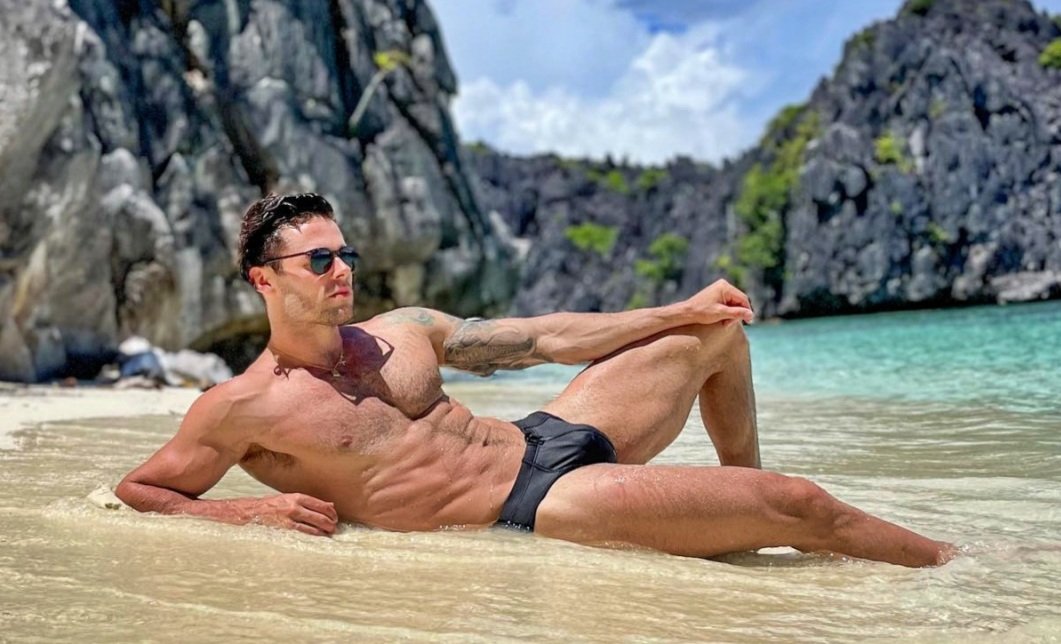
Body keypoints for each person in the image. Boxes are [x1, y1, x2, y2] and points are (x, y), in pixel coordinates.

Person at [115, 193, 955, 567]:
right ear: (264, 279)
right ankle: (957, 568)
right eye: (319, 259)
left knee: (716, 333)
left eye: (347, 254)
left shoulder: (403, 330)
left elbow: (545, 337)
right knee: (800, 503)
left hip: (544, 437)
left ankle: (738, 500)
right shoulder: (242, 405)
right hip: (534, 505)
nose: (343, 270)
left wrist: (678, 309)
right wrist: (246, 510)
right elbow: (141, 490)